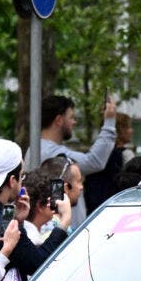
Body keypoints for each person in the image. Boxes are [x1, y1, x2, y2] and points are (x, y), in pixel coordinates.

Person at [0, 138, 70, 281]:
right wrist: (63, 221)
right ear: (12, 180)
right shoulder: (5, 226)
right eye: (22, 175)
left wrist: (19, 221)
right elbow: (39, 263)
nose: (22, 181)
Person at [39, 93, 117, 228]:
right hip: (63, 235)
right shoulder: (54, 154)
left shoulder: (38, 149)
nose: (74, 122)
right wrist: (109, 122)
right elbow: (94, 161)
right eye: (71, 117)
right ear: (58, 120)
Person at [82, 111, 136, 213]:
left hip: (93, 207)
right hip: (116, 206)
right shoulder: (126, 154)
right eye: (128, 127)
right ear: (120, 130)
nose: (131, 131)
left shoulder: (94, 155)